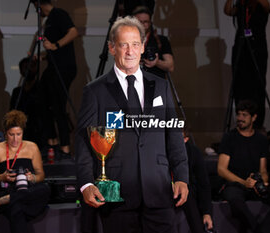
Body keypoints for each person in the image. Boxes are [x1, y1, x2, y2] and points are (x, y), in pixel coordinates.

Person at [75, 16, 189, 233]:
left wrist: (182, 176)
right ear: (111, 48)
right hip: (117, 195)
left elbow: (173, 135)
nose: (130, 51)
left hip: (159, 192)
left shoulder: (161, 86)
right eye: (123, 45)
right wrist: (86, 184)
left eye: (135, 44)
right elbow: (83, 141)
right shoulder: (95, 91)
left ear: (143, 46)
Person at [217, 100, 270, 233]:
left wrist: (263, 181)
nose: (240, 118)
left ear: (254, 117)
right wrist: (244, 182)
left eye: (244, 115)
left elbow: (263, 170)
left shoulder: (261, 140)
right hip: (236, 184)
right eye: (238, 114)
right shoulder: (230, 137)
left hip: (255, 183)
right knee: (235, 201)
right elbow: (221, 169)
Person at [0, 110, 50, 233]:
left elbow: (41, 175)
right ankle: (4, 199)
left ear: (23, 132)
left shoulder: (32, 147)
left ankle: (0, 201)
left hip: (27, 190)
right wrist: (1, 177)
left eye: (18, 134)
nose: (15, 139)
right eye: (11, 134)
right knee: (17, 209)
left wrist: (32, 178)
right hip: (8, 189)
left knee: (44, 189)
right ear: (5, 134)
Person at [31, 0, 78, 159]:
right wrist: (43, 56)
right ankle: (52, 140)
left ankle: (65, 146)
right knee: (41, 100)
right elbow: (52, 49)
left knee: (58, 104)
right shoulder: (49, 20)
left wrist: (55, 45)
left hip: (64, 68)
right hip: (54, 66)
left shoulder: (58, 14)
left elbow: (73, 32)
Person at [224, 0, 270, 129]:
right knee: (239, 86)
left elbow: (267, 7)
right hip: (241, 47)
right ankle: (241, 120)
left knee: (257, 86)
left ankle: (257, 123)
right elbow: (228, 11)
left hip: (257, 47)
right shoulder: (241, 5)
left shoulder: (260, 5)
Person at [10, 57, 45, 150]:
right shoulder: (17, 92)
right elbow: (12, 112)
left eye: (30, 67)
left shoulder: (42, 89)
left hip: (39, 134)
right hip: (21, 133)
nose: (27, 70)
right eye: (24, 68)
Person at [182, 130, 214, 232]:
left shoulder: (193, 152)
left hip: (187, 192)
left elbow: (203, 183)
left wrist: (206, 212)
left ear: (186, 139)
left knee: (187, 191)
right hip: (163, 190)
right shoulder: (160, 150)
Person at [132, 6, 174, 79]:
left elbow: (170, 66)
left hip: (155, 84)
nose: (142, 24)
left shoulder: (161, 40)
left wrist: (157, 62)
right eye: (139, 22)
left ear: (150, 23)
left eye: (145, 22)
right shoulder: (127, 40)